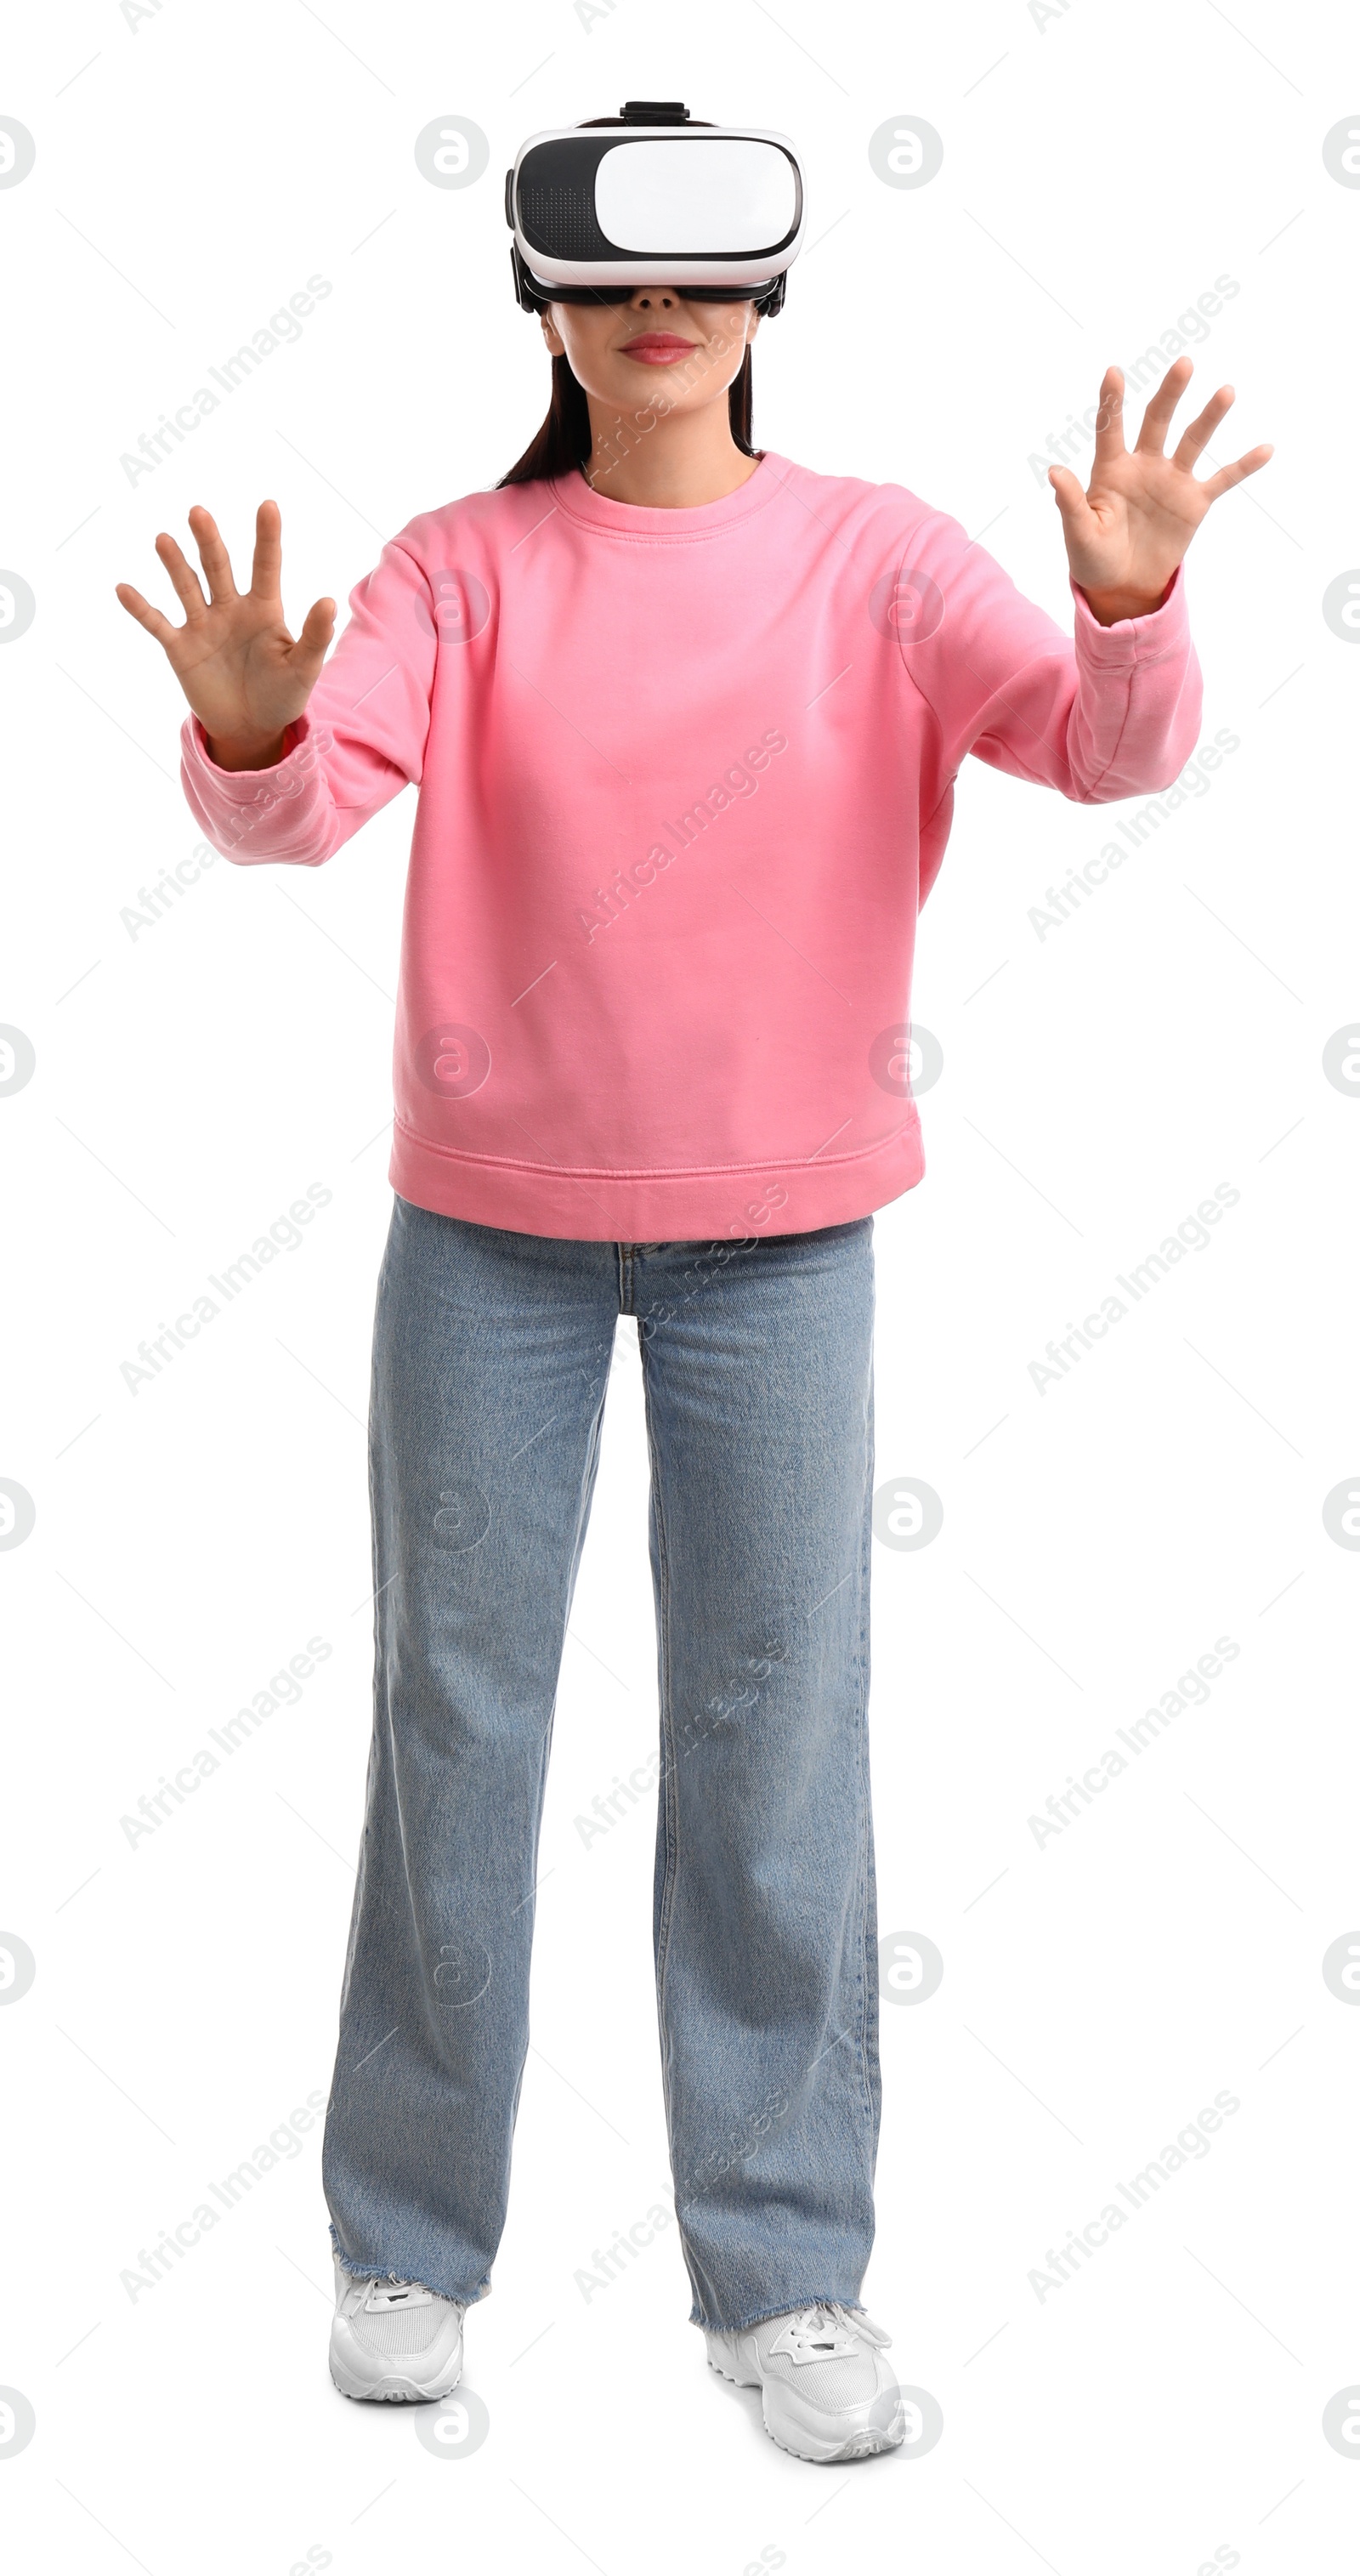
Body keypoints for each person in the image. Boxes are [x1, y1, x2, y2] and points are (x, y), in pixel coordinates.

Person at [115, 101, 1271, 2464]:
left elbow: (1092, 749)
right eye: (616, 278)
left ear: (770, 300)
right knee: (464, 1725)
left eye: (713, 276)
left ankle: (787, 2271)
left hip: (784, 1241)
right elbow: (311, 797)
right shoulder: (463, 565)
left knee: (775, 1747)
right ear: (541, 303)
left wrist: (1132, 606)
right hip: (489, 1237)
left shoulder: (877, 560)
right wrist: (244, 722)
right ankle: (409, 2243)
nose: (666, 311)